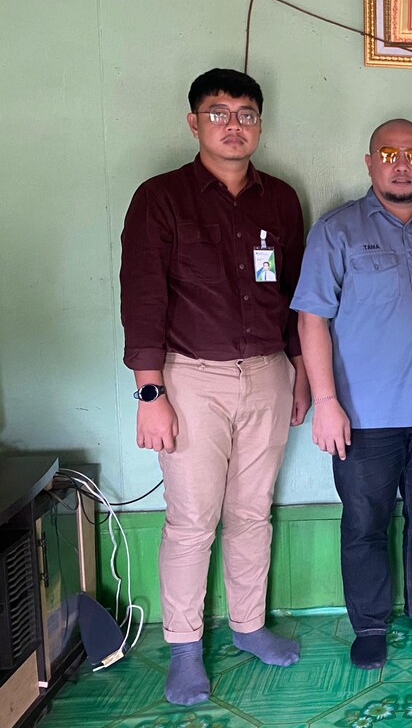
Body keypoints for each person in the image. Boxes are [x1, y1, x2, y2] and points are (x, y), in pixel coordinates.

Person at [120, 68, 310, 705]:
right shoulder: (162, 197)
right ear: (194, 122)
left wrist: (300, 373)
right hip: (189, 378)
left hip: (268, 373)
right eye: (219, 113)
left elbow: (295, 295)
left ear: (260, 123)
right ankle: (184, 648)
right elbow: (143, 296)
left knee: (253, 512)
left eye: (246, 114)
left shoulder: (280, 199)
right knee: (192, 520)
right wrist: (151, 394)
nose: (234, 125)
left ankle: (249, 627)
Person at [291, 119, 412, 671]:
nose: (402, 165)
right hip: (363, 415)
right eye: (389, 154)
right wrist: (326, 403)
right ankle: (369, 624)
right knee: (365, 523)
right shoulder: (337, 231)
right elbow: (311, 320)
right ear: (369, 162)